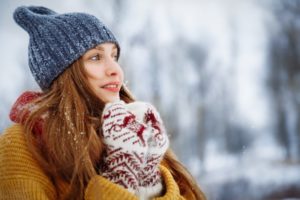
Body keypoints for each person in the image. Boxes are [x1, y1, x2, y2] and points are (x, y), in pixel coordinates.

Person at [0, 5, 206, 200]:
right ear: (64, 73)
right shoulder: (22, 143)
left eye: (114, 56)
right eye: (96, 57)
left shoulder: (135, 128)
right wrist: (119, 181)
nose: (115, 69)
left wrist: (149, 179)